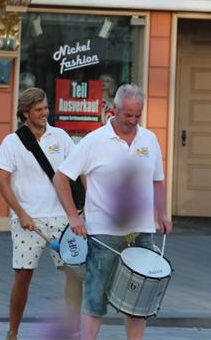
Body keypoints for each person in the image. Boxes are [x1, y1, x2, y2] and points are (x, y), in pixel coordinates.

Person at [53, 84, 172, 340]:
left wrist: (162, 213)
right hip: (104, 234)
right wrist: (73, 216)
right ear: (114, 110)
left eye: (137, 115)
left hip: (141, 232)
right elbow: (60, 177)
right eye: (127, 115)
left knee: (139, 303)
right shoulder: (94, 141)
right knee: (95, 300)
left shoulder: (149, 139)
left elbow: (157, 180)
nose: (133, 121)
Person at [0, 88, 82, 340]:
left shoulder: (61, 137)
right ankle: (13, 331)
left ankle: (74, 330)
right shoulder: (12, 142)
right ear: (25, 113)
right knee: (23, 275)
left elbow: (78, 170)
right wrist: (20, 213)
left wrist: (79, 210)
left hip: (61, 218)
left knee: (74, 274)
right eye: (39, 110)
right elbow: (1, 181)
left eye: (46, 108)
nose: (45, 113)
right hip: (28, 220)